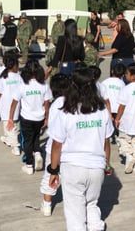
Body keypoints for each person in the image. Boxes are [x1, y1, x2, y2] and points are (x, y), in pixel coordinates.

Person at [47, 67, 113, 231]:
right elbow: (106, 142)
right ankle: (96, 227)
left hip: (73, 167)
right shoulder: (102, 110)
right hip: (96, 166)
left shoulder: (66, 110)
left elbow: (57, 145)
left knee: (75, 212)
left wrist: (53, 171)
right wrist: (107, 164)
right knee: (91, 203)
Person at [7, 59, 51, 175]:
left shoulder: (22, 86)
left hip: (26, 117)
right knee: (36, 137)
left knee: (27, 141)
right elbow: (47, 103)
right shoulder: (44, 85)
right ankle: (37, 154)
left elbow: (14, 103)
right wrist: (47, 117)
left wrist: (11, 118)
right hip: (40, 117)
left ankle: (29, 165)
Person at [39, 73, 70, 217]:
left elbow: (51, 124)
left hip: (54, 146)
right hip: (69, 147)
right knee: (68, 176)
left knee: (50, 174)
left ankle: (47, 205)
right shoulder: (73, 102)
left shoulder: (54, 105)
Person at [0, 52, 22, 156]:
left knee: (11, 125)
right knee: (10, 124)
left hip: (6, 104)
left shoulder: (4, 77)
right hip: (13, 104)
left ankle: (15, 146)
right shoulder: (18, 77)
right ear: (14, 65)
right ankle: (8, 138)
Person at [101, 63, 126, 145]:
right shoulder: (122, 83)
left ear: (112, 71)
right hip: (117, 106)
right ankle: (117, 135)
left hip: (107, 107)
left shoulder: (105, 82)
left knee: (107, 122)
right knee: (117, 121)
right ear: (123, 74)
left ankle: (108, 135)